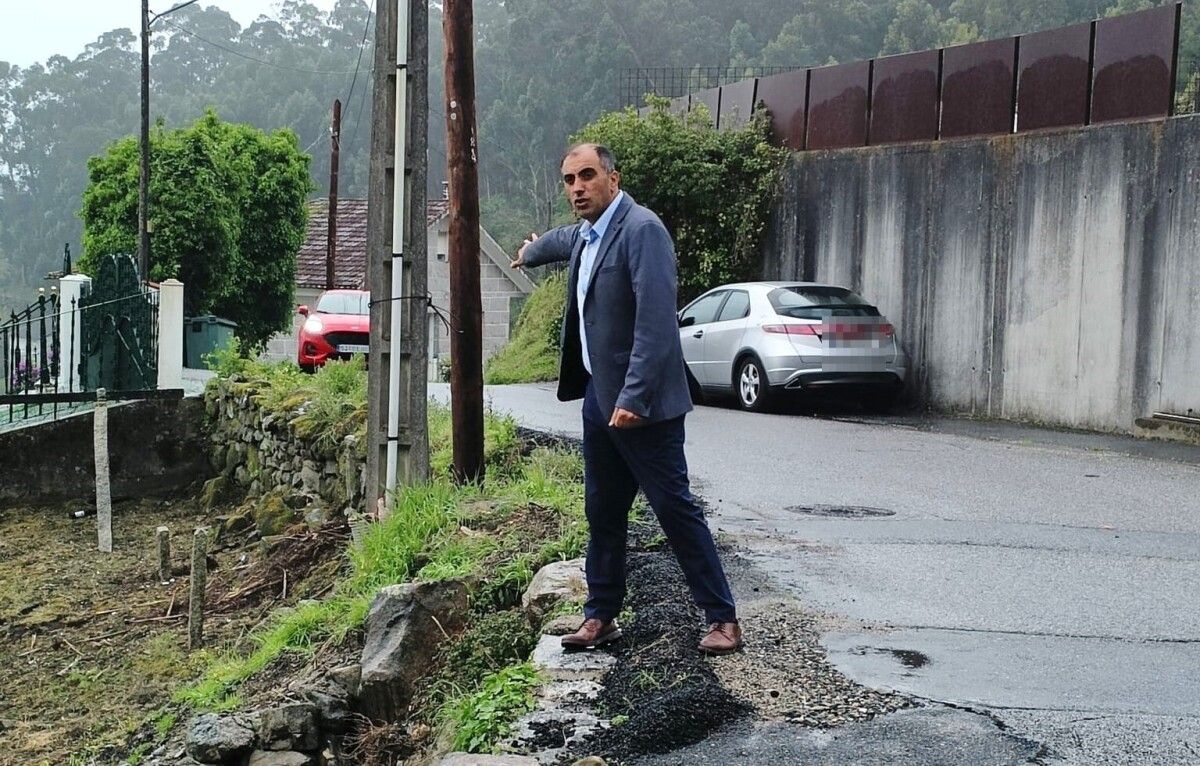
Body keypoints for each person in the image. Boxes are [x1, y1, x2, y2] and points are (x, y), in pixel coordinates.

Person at [510, 143, 742, 656]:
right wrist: (530, 252)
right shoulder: (589, 234)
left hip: (644, 406)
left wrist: (634, 397)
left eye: (587, 176)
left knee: (674, 509)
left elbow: (657, 325)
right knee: (603, 512)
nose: (577, 188)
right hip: (600, 399)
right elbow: (562, 240)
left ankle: (722, 618)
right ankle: (601, 616)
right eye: (569, 180)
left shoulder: (642, 231)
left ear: (613, 178)